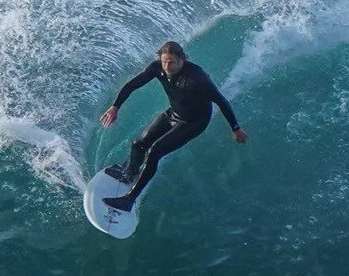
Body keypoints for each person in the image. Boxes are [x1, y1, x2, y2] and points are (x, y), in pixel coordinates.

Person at [96, 40, 246, 214]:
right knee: (138, 144)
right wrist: (115, 107)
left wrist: (235, 128)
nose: (167, 66)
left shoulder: (197, 77)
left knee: (154, 151)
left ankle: (129, 200)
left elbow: (221, 101)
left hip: (194, 122)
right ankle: (129, 173)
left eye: (172, 62)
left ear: (182, 60)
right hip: (174, 114)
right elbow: (132, 85)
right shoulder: (157, 68)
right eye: (164, 61)